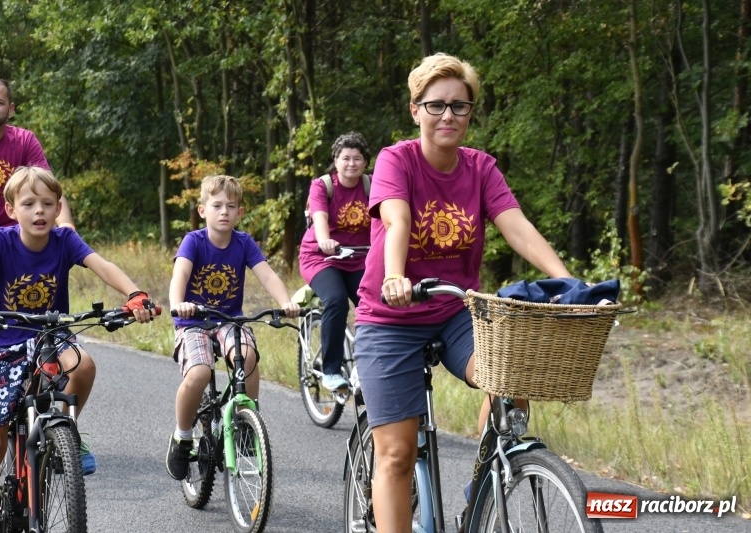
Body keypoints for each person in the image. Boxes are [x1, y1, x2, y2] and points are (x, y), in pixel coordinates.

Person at [352, 53, 573, 532]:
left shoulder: (481, 168)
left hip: (456, 311)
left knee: (512, 381)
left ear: (471, 112)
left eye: (459, 106)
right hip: (390, 317)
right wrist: (395, 276)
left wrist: (568, 280)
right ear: (416, 110)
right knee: (396, 453)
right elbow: (397, 219)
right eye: (435, 105)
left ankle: (487, 486)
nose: (448, 115)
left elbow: (517, 228)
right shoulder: (398, 159)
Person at [0, 166, 156, 533]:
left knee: (85, 366)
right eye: (29, 204)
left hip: (50, 333)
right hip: (3, 339)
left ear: (58, 207)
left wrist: (134, 294)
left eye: (48, 203)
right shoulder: (0, 240)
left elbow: (102, 266)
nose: (39, 211)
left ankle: (62, 434)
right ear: (12, 209)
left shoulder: (65, 241)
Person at [0, 77, 75, 447]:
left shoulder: (24, 141)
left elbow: (49, 187)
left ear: (10, 108)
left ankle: (37, 404)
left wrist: (65, 226)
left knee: (35, 317)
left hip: (14, 238)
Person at [165, 175, 300, 481]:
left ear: (240, 213)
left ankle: (245, 421)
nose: (224, 211)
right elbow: (180, 276)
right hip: (194, 322)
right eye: (217, 205)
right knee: (199, 373)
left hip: (228, 320)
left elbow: (266, 275)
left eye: (231, 206)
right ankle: (183, 436)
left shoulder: (244, 243)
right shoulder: (194, 241)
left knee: (248, 356)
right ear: (203, 211)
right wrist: (178, 304)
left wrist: (285, 302)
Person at [298, 131, 372, 390]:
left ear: (365, 162)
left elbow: (386, 220)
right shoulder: (323, 185)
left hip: (359, 258)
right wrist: (324, 240)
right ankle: (330, 370)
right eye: (346, 158)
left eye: (357, 158)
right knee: (336, 300)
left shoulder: (370, 186)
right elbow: (319, 217)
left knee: (374, 304)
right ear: (336, 160)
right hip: (321, 257)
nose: (351, 163)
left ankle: (368, 365)